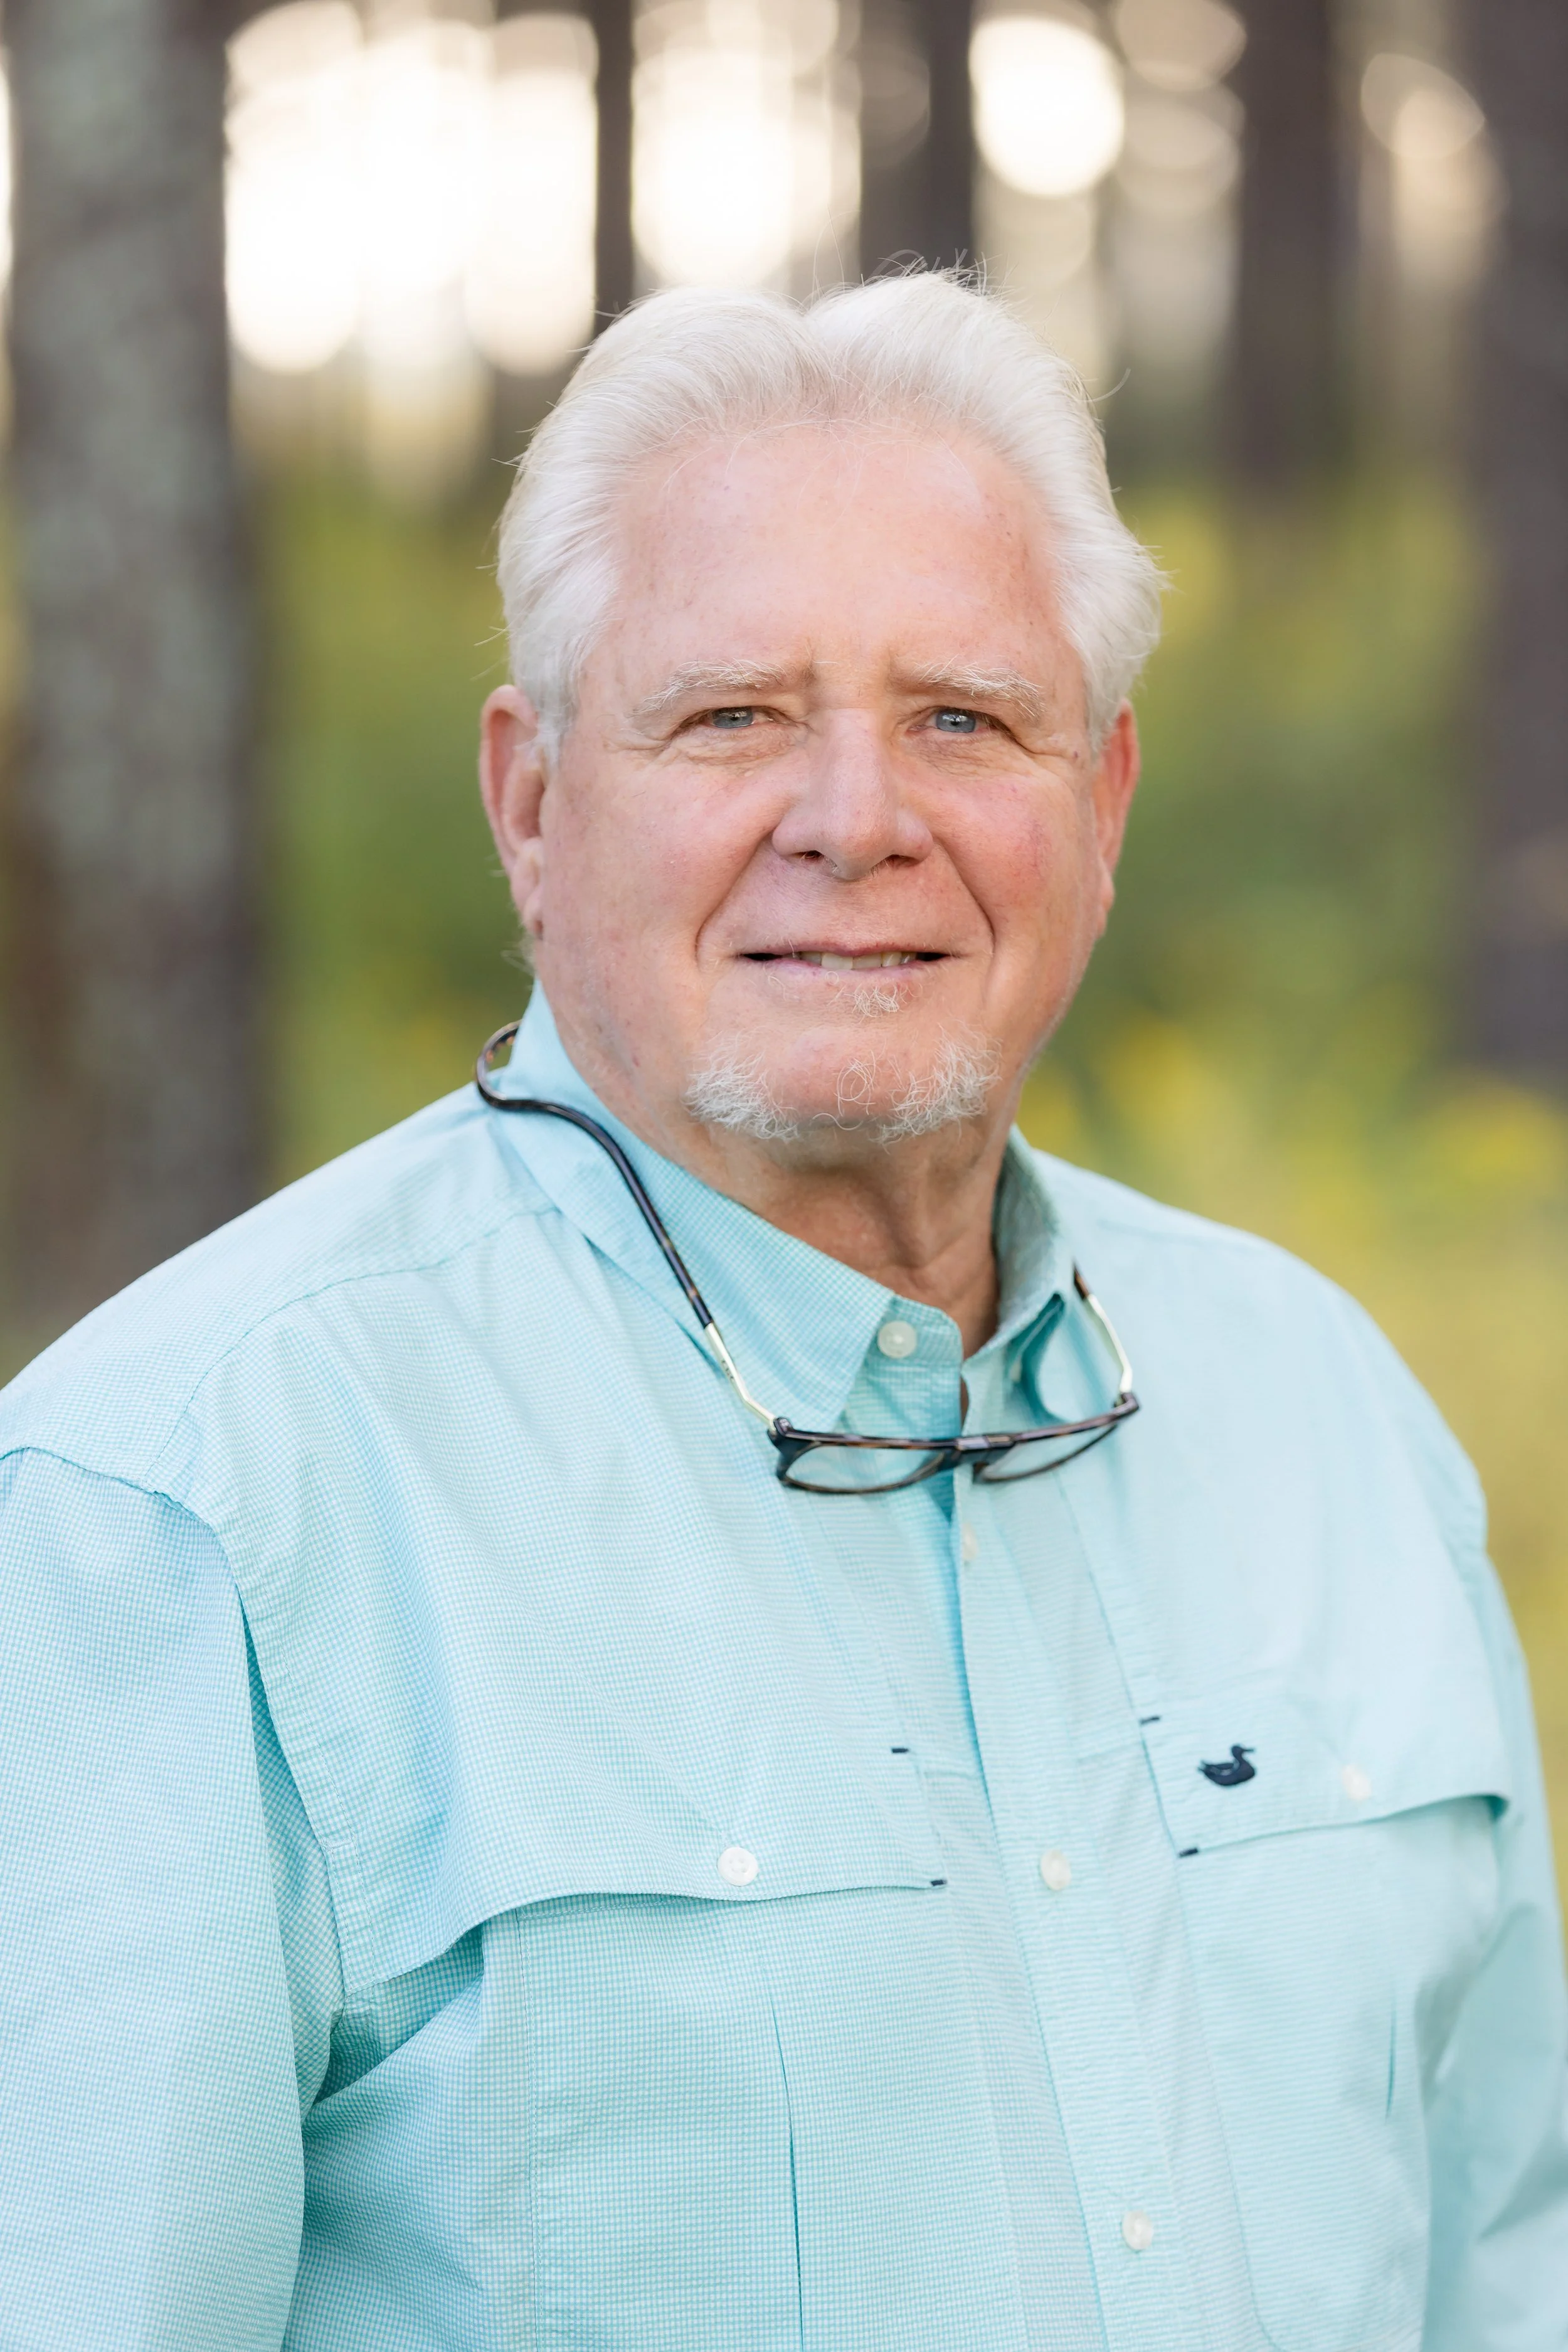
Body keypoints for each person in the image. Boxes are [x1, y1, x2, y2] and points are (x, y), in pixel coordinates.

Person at [1, 273, 1564, 2352]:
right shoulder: (185, 1506)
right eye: (731, 713)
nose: (855, 817)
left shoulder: (1326, 1416)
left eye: (962, 717)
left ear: (1096, 808)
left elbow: (1499, 2262)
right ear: (534, 801)